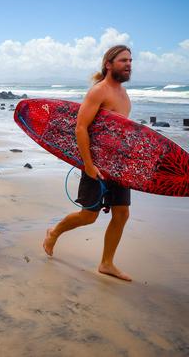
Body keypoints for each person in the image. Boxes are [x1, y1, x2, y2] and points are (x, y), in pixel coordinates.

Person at [43, 45, 134, 281]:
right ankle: (54, 232)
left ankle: (106, 263)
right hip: (96, 163)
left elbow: (122, 132)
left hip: (118, 165)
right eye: (123, 60)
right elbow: (81, 127)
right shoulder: (99, 92)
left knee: (122, 214)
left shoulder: (125, 96)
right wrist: (89, 165)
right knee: (88, 215)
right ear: (109, 64)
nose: (128, 64)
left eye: (130, 61)